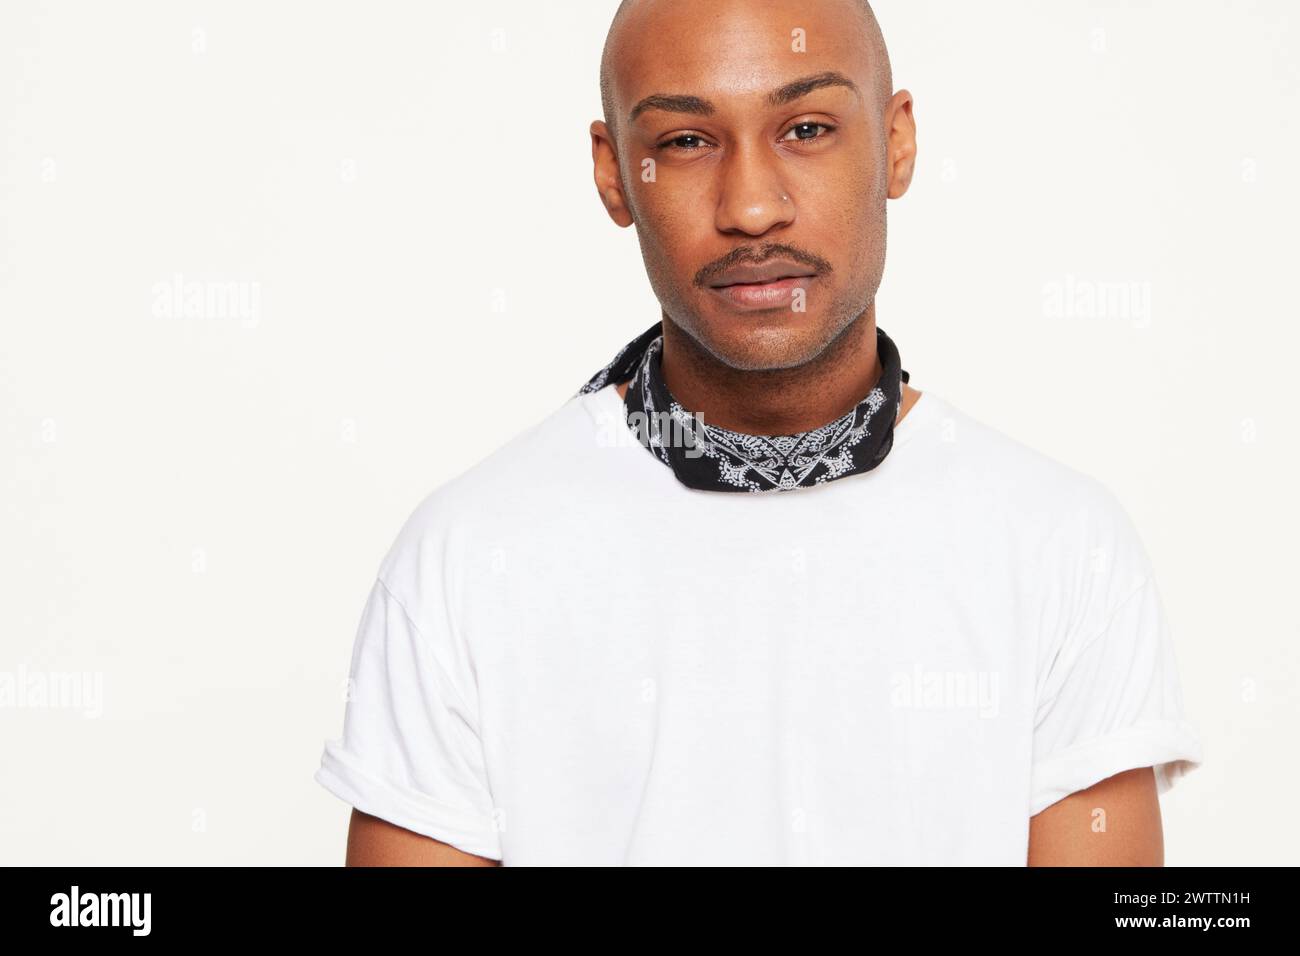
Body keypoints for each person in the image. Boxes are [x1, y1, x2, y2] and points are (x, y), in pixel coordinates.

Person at [315, 0, 1203, 865]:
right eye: (686, 142)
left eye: (807, 129)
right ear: (615, 172)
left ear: (896, 143)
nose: (750, 209)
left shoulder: (1061, 547)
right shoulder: (468, 557)